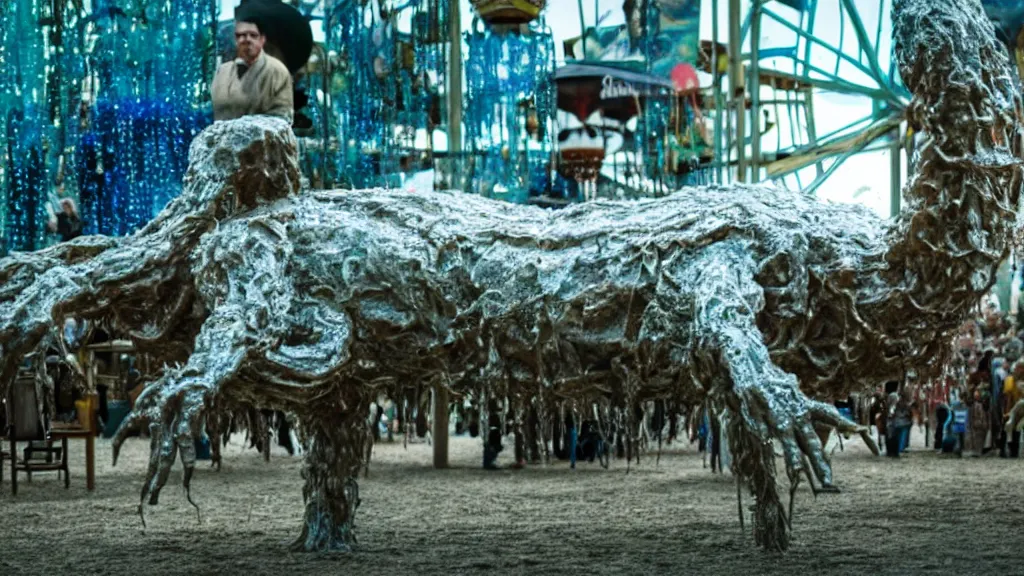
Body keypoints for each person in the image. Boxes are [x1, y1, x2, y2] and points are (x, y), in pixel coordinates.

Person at [210, 7, 293, 123]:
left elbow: (283, 118)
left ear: (262, 39)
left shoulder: (277, 71)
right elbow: (214, 110)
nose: (247, 40)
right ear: (235, 40)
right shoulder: (222, 71)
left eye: (253, 35)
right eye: (241, 35)